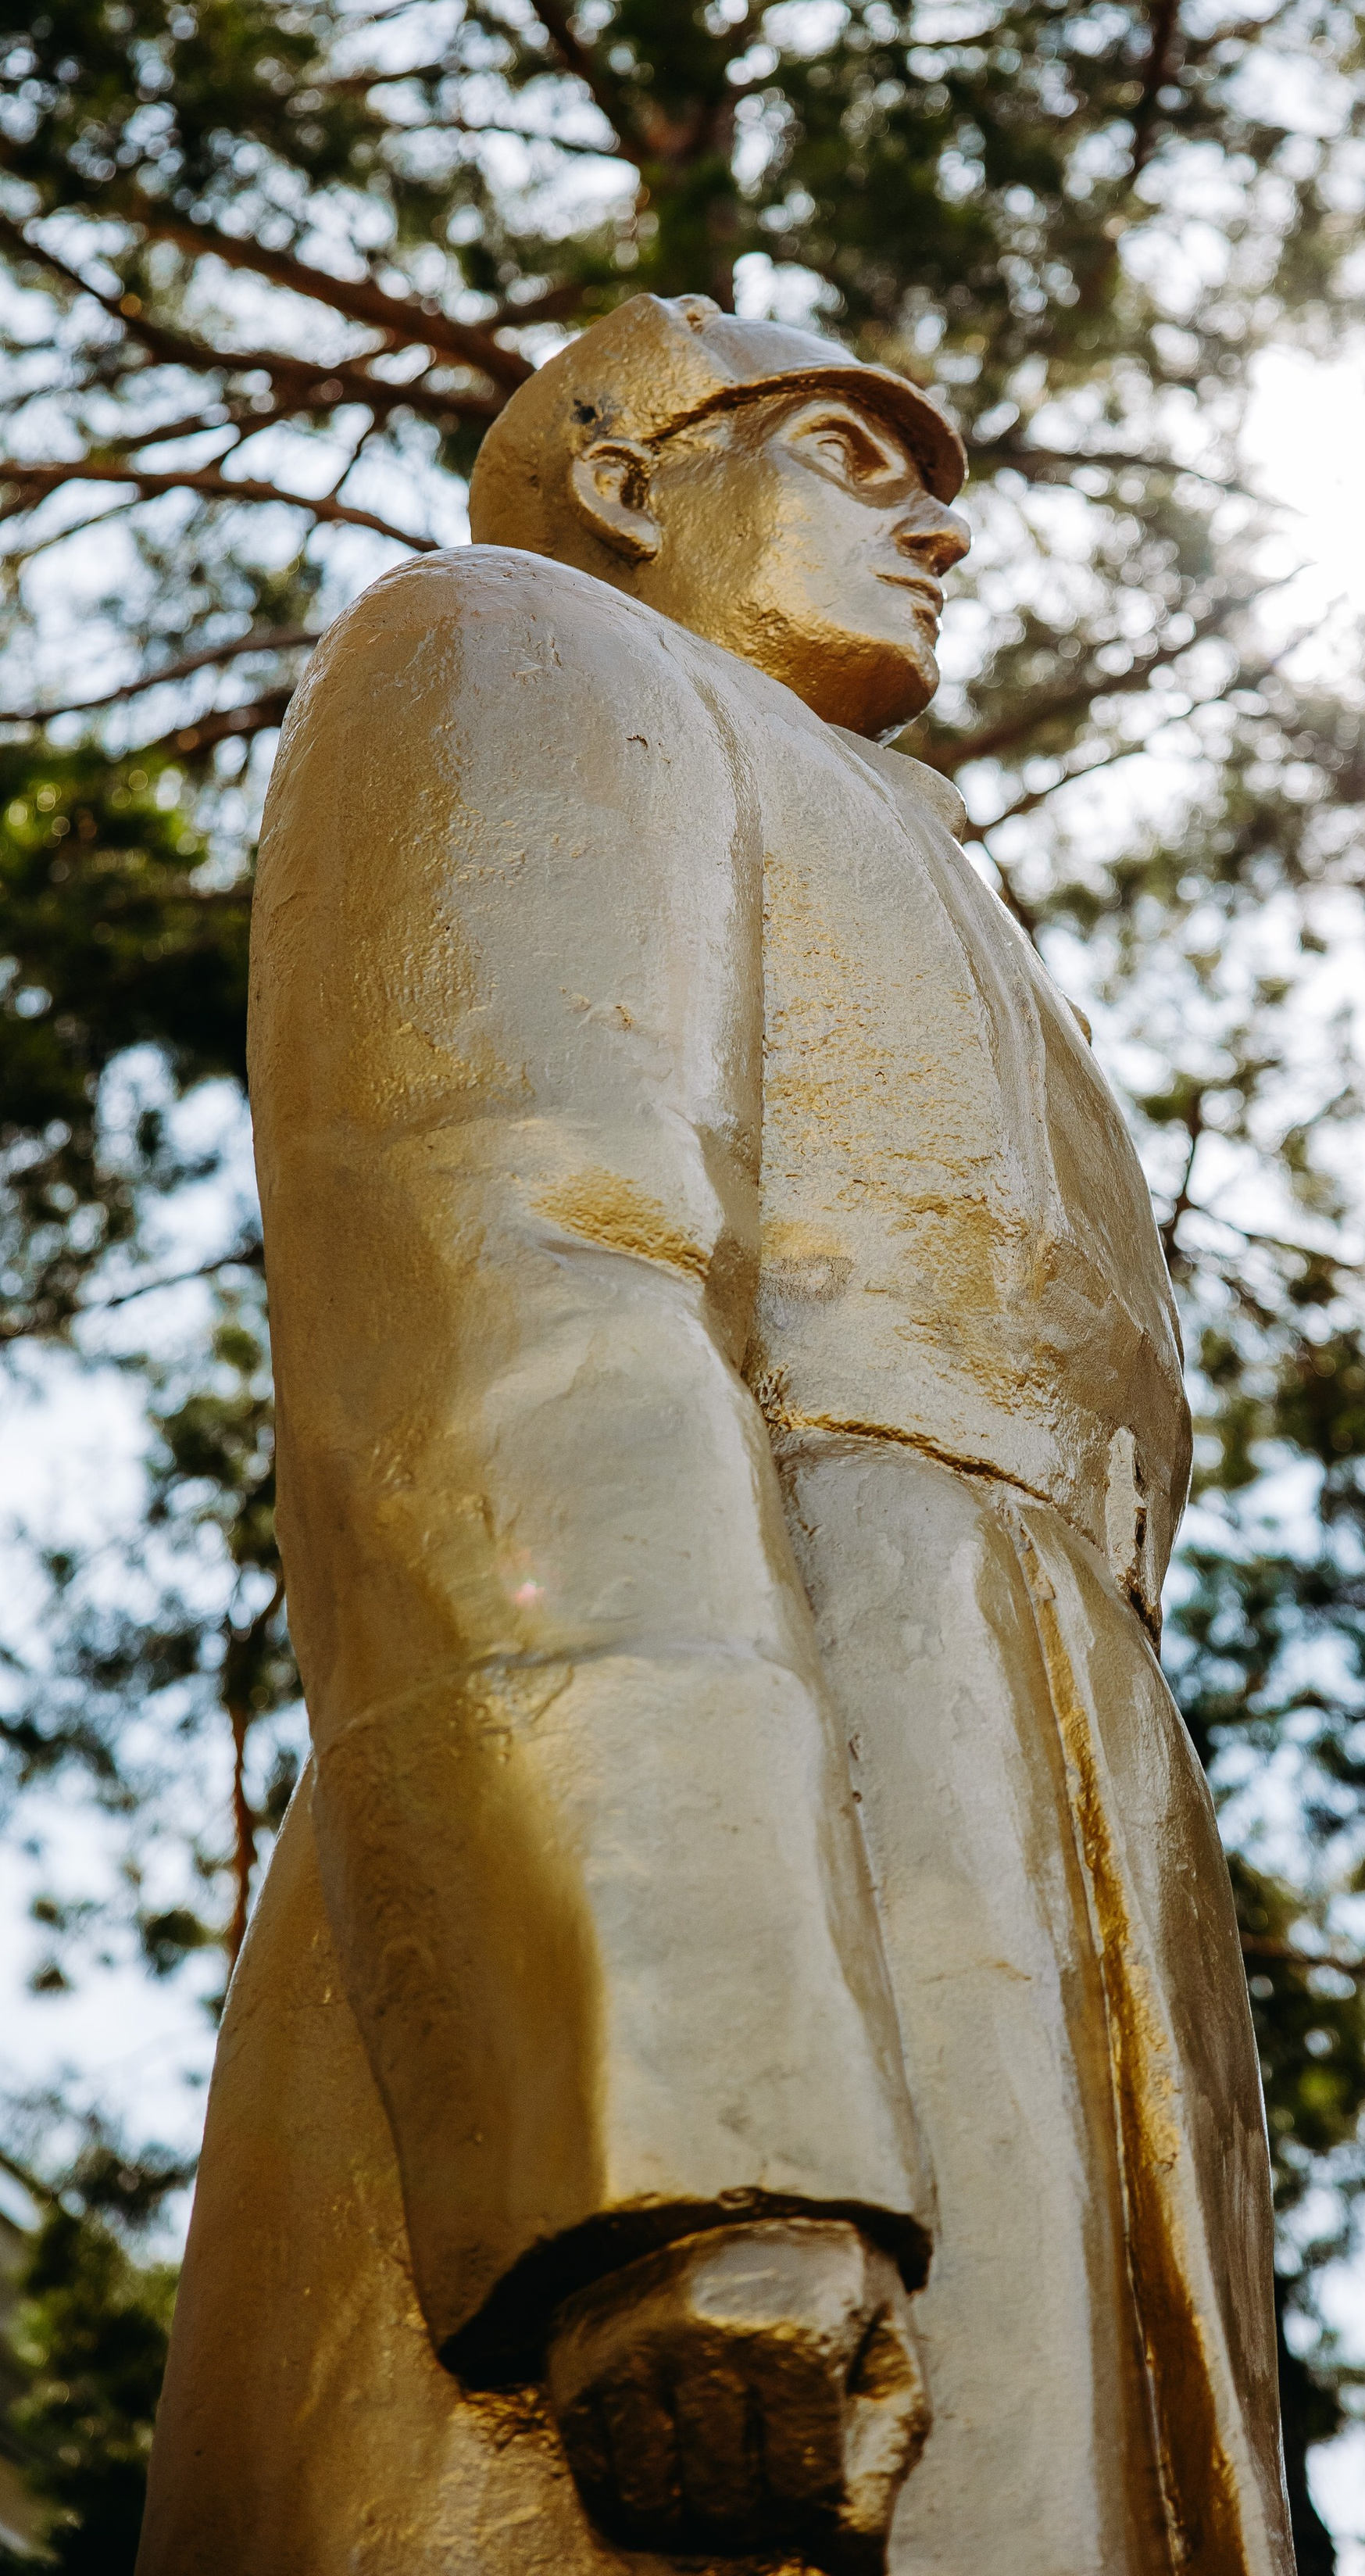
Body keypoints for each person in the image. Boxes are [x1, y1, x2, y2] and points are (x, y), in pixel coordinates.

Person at [138, 294, 1296, 2576]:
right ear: (622, 478)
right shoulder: (513, 651)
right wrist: (681, 2136)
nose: (942, 522)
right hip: (773, 1754)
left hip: (1037, 1792)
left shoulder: (924, 867)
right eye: (856, 454)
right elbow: (517, 1285)